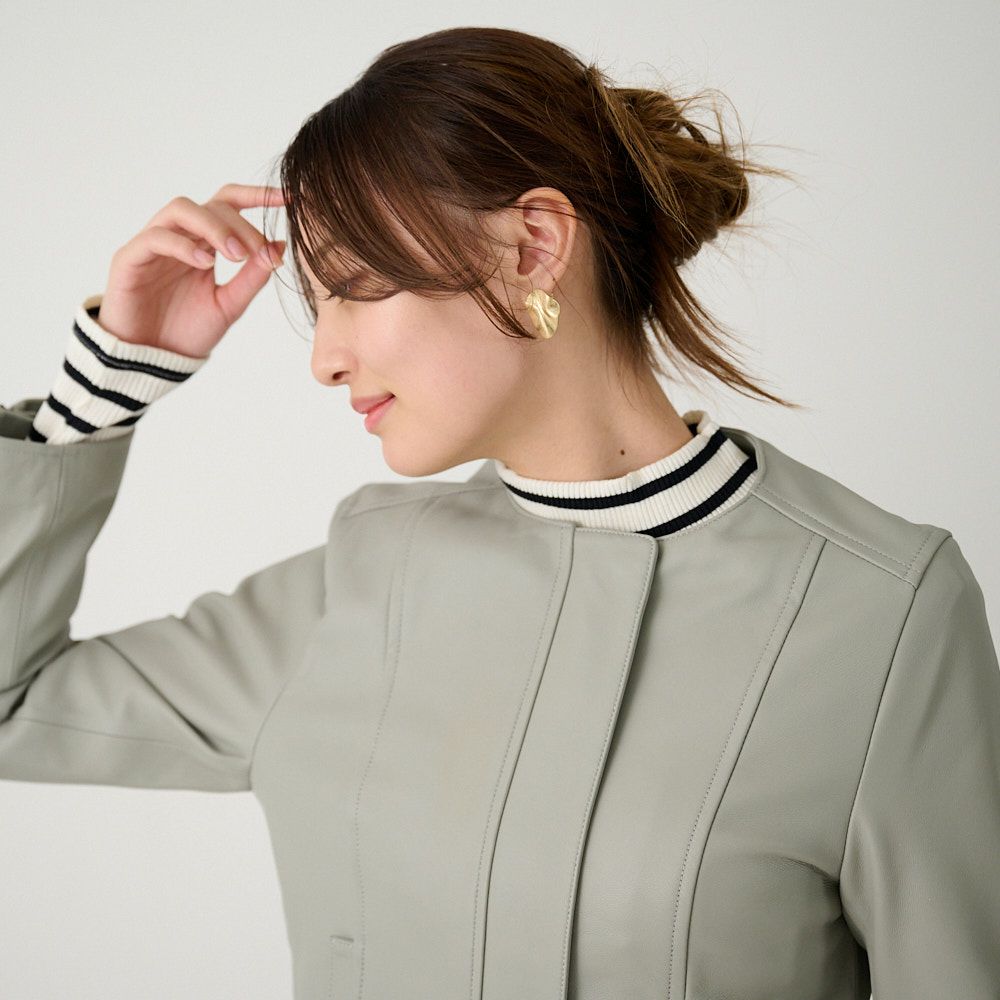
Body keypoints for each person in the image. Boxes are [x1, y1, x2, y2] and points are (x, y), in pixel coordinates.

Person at [2, 25, 999, 1000]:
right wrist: (106, 385)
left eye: (357, 286)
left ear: (533, 245)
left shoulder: (878, 613)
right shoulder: (364, 579)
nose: (324, 359)